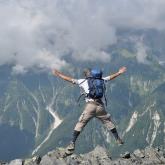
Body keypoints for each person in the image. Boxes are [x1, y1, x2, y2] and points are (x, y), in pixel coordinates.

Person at [52, 66, 126, 153]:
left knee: (81, 123)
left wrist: (59, 74)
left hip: (90, 107)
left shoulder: (84, 81)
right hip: (100, 107)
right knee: (108, 122)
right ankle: (117, 139)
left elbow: (70, 79)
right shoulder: (102, 80)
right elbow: (111, 77)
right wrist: (119, 72)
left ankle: (72, 143)